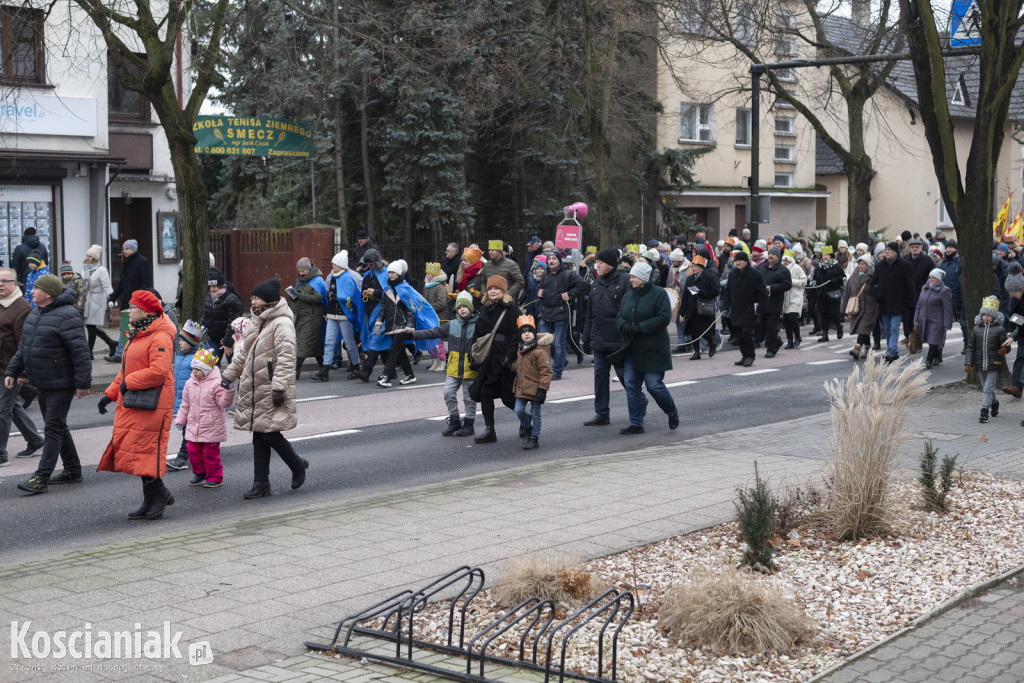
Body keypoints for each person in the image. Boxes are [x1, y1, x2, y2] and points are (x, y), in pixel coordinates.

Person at [221, 278, 309, 499]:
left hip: (270, 387)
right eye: (252, 297)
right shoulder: (258, 320)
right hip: (255, 386)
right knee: (259, 434)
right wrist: (229, 375)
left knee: (269, 434)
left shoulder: (282, 324)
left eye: (256, 297)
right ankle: (261, 483)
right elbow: (244, 353)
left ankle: (297, 464)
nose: (253, 301)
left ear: (269, 301)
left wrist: (279, 387)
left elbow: (287, 358)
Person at [5, 274, 91, 493]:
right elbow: (24, 348)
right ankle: (73, 470)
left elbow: (80, 352)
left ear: (48, 294)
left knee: (52, 428)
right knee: (58, 425)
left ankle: (40, 477)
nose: (32, 292)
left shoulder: (68, 315)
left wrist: (83, 383)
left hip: (62, 383)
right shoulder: (35, 314)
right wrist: (13, 371)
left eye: (36, 288)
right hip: (42, 381)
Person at [95, 290, 175, 516]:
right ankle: (154, 496)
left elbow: (158, 372)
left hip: (153, 402)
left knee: (146, 450)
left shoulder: (160, 336)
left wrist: (128, 383)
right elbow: (127, 369)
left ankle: (158, 495)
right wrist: (109, 394)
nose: (128, 311)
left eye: (132, 307)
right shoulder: (140, 332)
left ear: (146, 311)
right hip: (137, 398)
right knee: (138, 451)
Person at [609, 261, 678, 434]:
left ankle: (671, 412)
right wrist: (622, 325)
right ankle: (636, 423)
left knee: (654, 385)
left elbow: (664, 318)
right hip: (631, 348)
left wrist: (640, 327)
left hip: (652, 348)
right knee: (631, 384)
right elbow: (619, 316)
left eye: (633, 276)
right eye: (630, 276)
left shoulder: (659, 294)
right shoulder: (628, 295)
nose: (630, 279)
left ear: (643, 278)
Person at [410, 291, 479, 436]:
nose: (462, 309)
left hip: (470, 367)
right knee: (448, 393)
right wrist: (413, 334)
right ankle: (454, 421)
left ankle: (469, 424)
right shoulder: (452, 325)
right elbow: (433, 332)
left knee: (469, 398)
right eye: (460, 307)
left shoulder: (478, 324)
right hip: (453, 367)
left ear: (471, 308)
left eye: (465, 307)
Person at [469, 275, 522, 444]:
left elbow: (517, 335)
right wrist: (473, 357)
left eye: (496, 289)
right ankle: (489, 430)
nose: (492, 291)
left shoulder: (512, 309)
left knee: (508, 397)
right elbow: (477, 335)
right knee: (485, 393)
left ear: (503, 291)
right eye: (490, 289)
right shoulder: (484, 309)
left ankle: (526, 420)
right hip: (487, 360)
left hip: (503, 360)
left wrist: (509, 356)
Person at [0, 268, 45, 467]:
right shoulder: (1, 304)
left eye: (4, 281)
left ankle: (1, 455)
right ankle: (35, 440)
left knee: (2, 410)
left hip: (10, 369)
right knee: (11, 407)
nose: (0, 285)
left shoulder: (22, 308)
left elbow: (25, 345)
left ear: (14, 283)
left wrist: (22, 373)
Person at [581, 248, 629, 426]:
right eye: (596, 262)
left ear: (610, 264)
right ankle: (602, 413)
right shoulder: (596, 284)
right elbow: (590, 314)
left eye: (600, 262)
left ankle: (639, 400)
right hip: (600, 340)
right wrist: (586, 339)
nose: (597, 265)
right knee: (600, 377)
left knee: (625, 377)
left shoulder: (624, 280)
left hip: (618, 340)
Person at [175, 348, 235, 488]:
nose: (194, 372)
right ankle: (200, 472)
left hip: (211, 425)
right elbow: (185, 404)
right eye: (193, 368)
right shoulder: (190, 383)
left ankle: (215, 477)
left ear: (207, 369)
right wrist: (180, 420)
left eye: (198, 369)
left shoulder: (216, 383)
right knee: (191, 449)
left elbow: (223, 402)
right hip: (194, 425)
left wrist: (228, 390)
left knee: (210, 454)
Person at [375, 260, 433, 388]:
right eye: (389, 272)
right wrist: (379, 322)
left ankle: (386, 376)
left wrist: (410, 326)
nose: (390, 275)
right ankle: (410, 375)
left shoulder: (406, 289)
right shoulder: (387, 290)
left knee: (393, 351)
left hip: (403, 326)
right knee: (400, 352)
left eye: (393, 273)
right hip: (391, 325)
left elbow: (411, 309)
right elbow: (383, 308)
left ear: (399, 273)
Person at [537, 252, 589, 380]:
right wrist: (540, 293)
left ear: (560, 261)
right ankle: (546, 369)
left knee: (559, 344)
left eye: (554, 259)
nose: (551, 261)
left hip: (561, 313)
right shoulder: (545, 274)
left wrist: (570, 294)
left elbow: (584, 285)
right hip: (546, 312)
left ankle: (557, 371)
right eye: (549, 259)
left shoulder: (568, 274)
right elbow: (542, 289)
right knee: (544, 344)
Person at [166, 319, 208, 472]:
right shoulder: (180, 355)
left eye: (184, 340)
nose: (180, 342)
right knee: (190, 429)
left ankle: (182, 457)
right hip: (183, 400)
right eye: (180, 339)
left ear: (192, 342)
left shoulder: (198, 358)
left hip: (194, 401)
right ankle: (200, 451)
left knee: (188, 430)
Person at [318, 250, 362, 381]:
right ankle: (325, 369)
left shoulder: (348, 277)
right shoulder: (331, 276)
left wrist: (335, 296)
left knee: (349, 342)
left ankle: (356, 365)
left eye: (335, 264)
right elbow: (328, 294)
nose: (332, 266)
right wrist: (327, 310)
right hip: (332, 313)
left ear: (341, 265)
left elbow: (350, 297)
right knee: (329, 342)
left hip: (345, 315)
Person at [107, 239, 153, 362]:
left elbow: (146, 282)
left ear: (133, 249)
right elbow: (122, 283)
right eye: (123, 249)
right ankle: (121, 353)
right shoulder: (127, 263)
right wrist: (113, 296)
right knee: (124, 327)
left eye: (127, 249)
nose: (124, 251)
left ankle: (123, 353)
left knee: (133, 328)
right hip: (127, 301)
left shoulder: (143, 262)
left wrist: (139, 298)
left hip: (138, 303)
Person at [511, 315, 552, 450]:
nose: (526, 334)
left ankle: (534, 437)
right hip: (522, 387)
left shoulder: (540, 351)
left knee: (536, 413)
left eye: (529, 332)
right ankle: (528, 427)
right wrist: (510, 365)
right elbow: (519, 367)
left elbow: (545, 371)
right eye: (523, 332)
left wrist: (542, 390)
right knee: (518, 409)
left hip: (535, 388)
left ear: (534, 334)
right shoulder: (520, 349)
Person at [966, 296, 1008, 423]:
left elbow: (1006, 344)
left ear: (994, 316)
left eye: (988, 315)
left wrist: (1005, 349)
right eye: (983, 315)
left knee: (988, 388)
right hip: (980, 364)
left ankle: (984, 411)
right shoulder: (976, 329)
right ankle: (994, 403)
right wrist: (969, 362)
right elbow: (971, 347)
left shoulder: (1000, 329)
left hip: (994, 364)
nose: (986, 317)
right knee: (986, 388)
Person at [871, 241, 915, 363]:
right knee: (888, 328)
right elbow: (873, 284)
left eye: (890, 249)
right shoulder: (880, 266)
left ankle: (891, 350)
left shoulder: (905, 265)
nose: (887, 251)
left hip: (898, 302)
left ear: (896, 252)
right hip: (884, 303)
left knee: (895, 327)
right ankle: (893, 351)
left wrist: (911, 303)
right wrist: (878, 296)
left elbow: (910, 285)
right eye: (886, 249)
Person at [724, 250, 768, 367]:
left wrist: (760, 309)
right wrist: (725, 306)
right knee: (739, 334)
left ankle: (750, 355)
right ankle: (744, 355)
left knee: (746, 333)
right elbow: (727, 292)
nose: (737, 263)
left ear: (746, 261)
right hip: (736, 309)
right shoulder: (732, 274)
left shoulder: (755, 274)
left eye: (740, 260)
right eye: (736, 260)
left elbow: (763, 293)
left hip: (750, 310)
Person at [287, 257, 327, 378]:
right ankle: (323, 368)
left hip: (313, 317)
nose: (300, 273)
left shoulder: (318, 281)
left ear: (309, 269)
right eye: (299, 270)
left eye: (303, 270)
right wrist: (292, 296)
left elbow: (319, 298)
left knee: (303, 344)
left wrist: (301, 295)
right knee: (313, 346)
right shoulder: (301, 280)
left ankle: (296, 370)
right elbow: (298, 295)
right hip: (301, 316)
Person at [679, 254, 721, 360]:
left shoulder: (709, 277)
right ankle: (697, 352)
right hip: (692, 308)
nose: (693, 268)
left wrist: (701, 292)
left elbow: (715, 291)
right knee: (693, 330)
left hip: (704, 308)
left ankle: (711, 344)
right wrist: (682, 311)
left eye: (695, 266)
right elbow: (685, 295)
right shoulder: (690, 279)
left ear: (701, 267)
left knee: (704, 331)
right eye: (692, 266)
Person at [81, 244, 117, 359]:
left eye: (90, 257)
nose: (87, 258)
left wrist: (112, 298)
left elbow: (107, 286)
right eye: (87, 256)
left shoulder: (101, 270)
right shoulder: (85, 268)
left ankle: (89, 351)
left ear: (95, 258)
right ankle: (110, 342)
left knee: (91, 325)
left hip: (97, 299)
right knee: (90, 326)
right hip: (88, 299)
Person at [914, 268, 954, 369]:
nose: (930, 279)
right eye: (930, 277)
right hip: (924, 319)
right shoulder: (924, 288)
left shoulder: (945, 290)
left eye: (933, 278)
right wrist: (916, 319)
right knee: (931, 340)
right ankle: (938, 355)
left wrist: (947, 323)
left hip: (937, 321)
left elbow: (948, 308)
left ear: (939, 279)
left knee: (933, 341)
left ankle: (928, 360)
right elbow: (919, 304)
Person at [841, 255, 879, 360]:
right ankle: (868, 349)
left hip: (870, 307)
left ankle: (857, 348)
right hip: (857, 308)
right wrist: (843, 309)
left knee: (863, 327)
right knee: (863, 329)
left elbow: (878, 290)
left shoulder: (873, 276)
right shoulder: (853, 276)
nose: (860, 266)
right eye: (859, 264)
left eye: (863, 264)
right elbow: (846, 293)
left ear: (867, 265)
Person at [200, 268, 242, 363]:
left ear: (222, 285)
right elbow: (206, 317)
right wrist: (199, 329)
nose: (213, 289)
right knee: (209, 365)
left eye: (216, 286)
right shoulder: (209, 298)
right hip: (214, 339)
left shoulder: (232, 299)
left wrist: (227, 342)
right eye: (211, 286)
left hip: (230, 340)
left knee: (235, 368)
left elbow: (234, 323)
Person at [756, 246, 792, 358]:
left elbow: (787, 285)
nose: (770, 256)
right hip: (762, 302)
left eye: (773, 254)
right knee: (762, 326)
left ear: (778, 257)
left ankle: (770, 349)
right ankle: (776, 341)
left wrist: (771, 288)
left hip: (774, 302)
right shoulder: (762, 267)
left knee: (771, 327)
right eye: (769, 254)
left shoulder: (783, 270)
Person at [813, 246, 845, 342]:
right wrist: (813, 283)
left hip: (833, 294)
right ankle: (825, 334)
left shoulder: (836, 266)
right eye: (823, 255)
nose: (825, 257)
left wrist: (833, 280)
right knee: (823, 315)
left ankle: (839, 326)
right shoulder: (819, 267)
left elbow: (842, 277)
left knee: (833, 314)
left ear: (831, 256)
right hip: (822, 295)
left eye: (827, 255)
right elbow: (815, 278)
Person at [422, 262, 450, 372]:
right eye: (427, 273)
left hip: (439, 318)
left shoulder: (440, 287)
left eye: (429, 274)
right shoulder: (426, 286)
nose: (427, 275)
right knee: (429, 339)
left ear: (434, 275)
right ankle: (434, 360)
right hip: (428, 318)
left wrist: (427, 307)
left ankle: (442, 361)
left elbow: (442, 303)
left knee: (438, 341)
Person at [781, 250, 807, 349]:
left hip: (795, 297)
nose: (785, 262)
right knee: (787, 320)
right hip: (785, 299)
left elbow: (804, 281)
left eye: (786, 261)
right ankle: (789, 341)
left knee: (792, 317)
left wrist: (791, 282)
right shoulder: (781, 269)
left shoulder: (797, 268)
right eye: (783, 260)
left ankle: (797, 336)